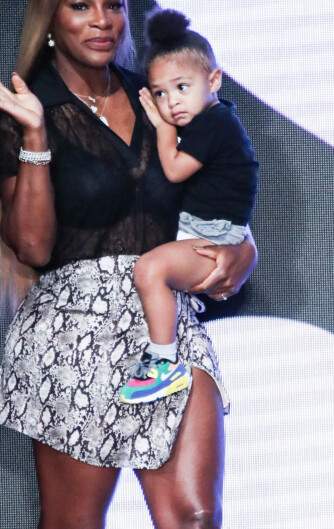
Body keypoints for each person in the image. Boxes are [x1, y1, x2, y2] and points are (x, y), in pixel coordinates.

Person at [0, 1, 257, 529]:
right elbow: (32, 247)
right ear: (50, 19)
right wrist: (36, 134)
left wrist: (242, 254)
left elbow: (226, 192)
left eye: (114, 4)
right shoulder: (27, 115)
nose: (102, 19)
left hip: (167, 324)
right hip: (78, 326)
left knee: (197, 525)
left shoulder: (163, 96)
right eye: (80, 5)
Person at [120, 9, 258, 405]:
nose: (171, 102)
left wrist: (164, 129)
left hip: (210, 235)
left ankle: (162, 364)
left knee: (150, 269)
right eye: (160, 93)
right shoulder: (210, 118)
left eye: (182, 87)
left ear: (213, 79)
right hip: (201, 229)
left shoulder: (213, 124)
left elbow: (176, 170)